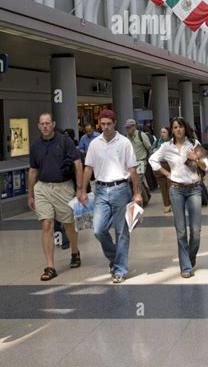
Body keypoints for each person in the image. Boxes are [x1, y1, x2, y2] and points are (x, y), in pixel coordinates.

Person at [78, 110, 141, 283]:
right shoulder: (94, 143)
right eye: (103, 124)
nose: (105, 127)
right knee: (98, 229)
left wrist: (136, 193)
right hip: (100, 189)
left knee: (122, 232)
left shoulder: (124, 142)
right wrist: (82, 190)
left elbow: (132, 169)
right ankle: (115, 257)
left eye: (109, 124)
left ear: (115, 123)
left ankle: (120, 269)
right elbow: (88, 168)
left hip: (120, 188)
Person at [149, 117, 208, 278]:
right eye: (175, 127)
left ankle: (191, 257)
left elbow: (205, 165)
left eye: (181, 127)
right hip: (176, 189)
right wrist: (166, 173)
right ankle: (186, 266)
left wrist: (195, 158)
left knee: (196, 231)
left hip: (194, 189)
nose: (178, 130)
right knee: (181, 230)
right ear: (172, 130)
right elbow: (152, 159)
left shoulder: (194, 144)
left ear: (185, 128)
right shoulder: (166, 147)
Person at [28, 113, 83, 281]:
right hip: (42, 188)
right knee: (47, 224)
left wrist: (80, 188)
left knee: (68, 224)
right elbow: (32, 170)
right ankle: (50, 266)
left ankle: (75, 251)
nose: (45, 126)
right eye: (42, 123)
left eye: (47, 123)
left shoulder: (64, 141)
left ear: (53, 124)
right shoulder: (36, 146)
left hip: (63, 187)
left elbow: (78, 163)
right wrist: (30, 194)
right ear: (38, 126)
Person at [152, 126, 171, 213]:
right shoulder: (157, 142)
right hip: (160, 165)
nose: (162, 134)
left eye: (164, 132)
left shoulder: (172, 142)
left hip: (170, 165)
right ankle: (166, 204)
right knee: (163, 187)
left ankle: (173, 203)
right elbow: (152, 150)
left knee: (170, 186)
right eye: (161, 132)